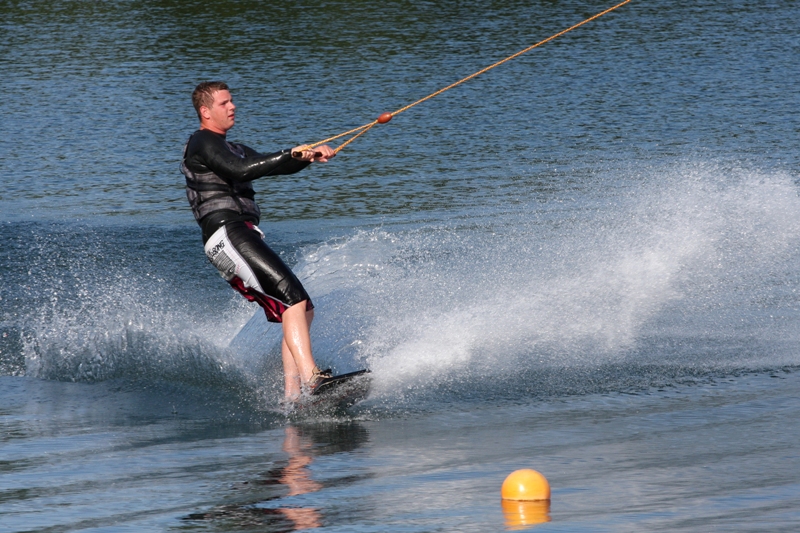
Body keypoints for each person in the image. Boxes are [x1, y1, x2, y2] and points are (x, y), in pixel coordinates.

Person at [180, 81, 335, 401]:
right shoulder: (201, 142)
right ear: (205, 111)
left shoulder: (233, 147)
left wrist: (308, 156)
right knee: (292, 299)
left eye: (232, 101)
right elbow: (240, 170)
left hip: (242, 232)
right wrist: (289, 153)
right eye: (224, 103)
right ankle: (313, 379)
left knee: (301, 307)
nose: (232, 106)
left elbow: (268, 164)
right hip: (226, 233)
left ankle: (293, 397)